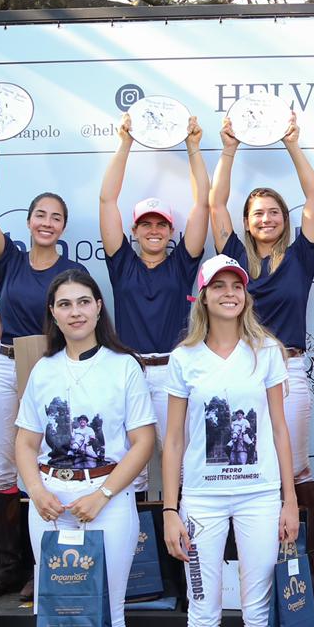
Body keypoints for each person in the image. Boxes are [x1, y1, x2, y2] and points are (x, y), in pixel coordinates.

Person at [161, 254, 299, 627]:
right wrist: (170, 508)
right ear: (202, 296)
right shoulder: (184, 358)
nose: (228, 293)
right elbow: (174, 439)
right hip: (202, 501)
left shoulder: (265, 353)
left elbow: (280, 430)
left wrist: (289, 499)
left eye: (235, 285)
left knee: (258, 608)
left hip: (259, 496)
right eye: (217, 285)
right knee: (203, 608)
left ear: (245, 294)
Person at [13, 269, 156, 627]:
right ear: (53, 314)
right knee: (64, 613)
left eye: (83, 301)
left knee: (106, 613)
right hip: (50, 504)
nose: (75, 311)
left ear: (98, 307)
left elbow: (143, 442)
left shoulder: (124, 367)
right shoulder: (44, 370)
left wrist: (103, 494)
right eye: (64, 304)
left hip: (106, 501)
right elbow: (25, 441)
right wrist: (36, 490)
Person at [209, 111, 314, 596]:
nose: (266, 219)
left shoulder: (301, 255)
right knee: (242, 465)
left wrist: (293, 144)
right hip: (240, 371)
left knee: (294, 469)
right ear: (247, 222)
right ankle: (246, 570)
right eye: (258, 213)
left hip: (289, 368)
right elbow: (215, 203)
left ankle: (307, 569)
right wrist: (229, 149)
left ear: (284, 218)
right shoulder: (234, 259)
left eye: (274, 212)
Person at [0, 127, 77, 600]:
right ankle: (8, 565)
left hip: (49, 367)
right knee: (2, 469)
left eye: (56, 217)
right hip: (5, 365)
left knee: (47, 465)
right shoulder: (9, 260)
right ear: (30, 221)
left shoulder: (72, 274)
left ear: (63, 228)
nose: (47, 223)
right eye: (40, 215)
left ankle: (40, 565)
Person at [99, 113, 210, 496]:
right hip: (127, 372)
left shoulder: (181, 265)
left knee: (180, 465)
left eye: (161, 224)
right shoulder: (122, 264)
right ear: (134, 231)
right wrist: (125, 142)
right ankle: (137, 535)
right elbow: (107, 199)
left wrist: (193, 148)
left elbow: (202, 206)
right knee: (131, 471)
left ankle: (182, 532)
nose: (153, 230)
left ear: (171, 231)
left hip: (171, 372)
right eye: (145, 224)